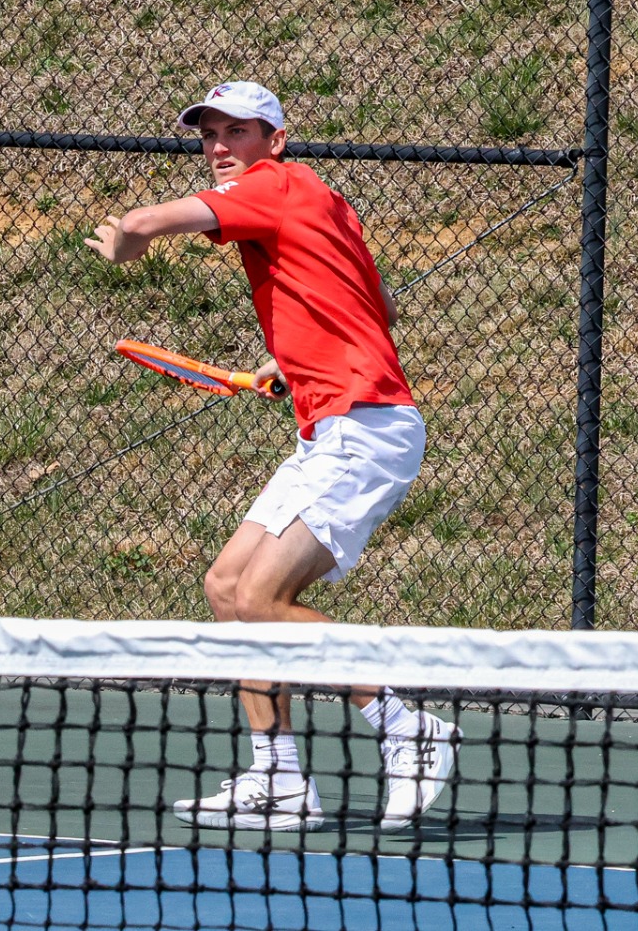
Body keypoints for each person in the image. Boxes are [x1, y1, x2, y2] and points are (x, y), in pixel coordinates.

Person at [84, 81, 458, 833]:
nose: (219, 146)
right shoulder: (322, 199)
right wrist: (292, 363)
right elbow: (372, 308)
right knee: (227, 585)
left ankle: (404, 725)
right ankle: (280, 777)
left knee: (261, 598)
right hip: (337, 422)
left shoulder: (269, 186)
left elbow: (160, 218)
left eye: (238, 132)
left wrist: (130, 235)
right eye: (208, 133)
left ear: (274, 141)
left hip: (365, 429)